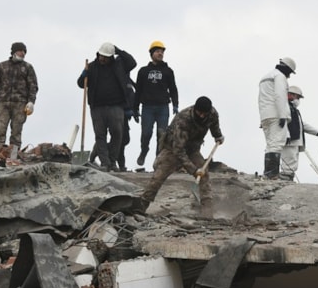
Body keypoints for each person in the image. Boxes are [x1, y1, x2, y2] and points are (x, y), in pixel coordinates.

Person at [139, 96, 225, 216]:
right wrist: (194, 170)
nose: (202, 116)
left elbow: (214, 126)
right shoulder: (183, 119)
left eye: (204, 113)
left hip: (193, 149)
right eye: (199, 113)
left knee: (204, 173)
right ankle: (141, 205)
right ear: (195, 109)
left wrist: (218, 136)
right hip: (172, 149)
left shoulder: (212, 114)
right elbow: (178, 150)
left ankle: (207, 210)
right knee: (158, 177)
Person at [77, 42, 136, 171]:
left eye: (106, 57)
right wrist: (83, 76)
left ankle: (112, 161)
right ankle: (105, 163)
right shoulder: (91, 67)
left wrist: (118, 50)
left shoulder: (118, 66)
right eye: (101, 56)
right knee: (100, 135)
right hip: (97, 107)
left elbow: (132, 62)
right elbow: (81, 84)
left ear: (111, 57)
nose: (103, 59)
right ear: (98, 54)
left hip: (116, 106)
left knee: (117, 134)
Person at [134, 41, 179, 168]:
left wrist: (175, 104)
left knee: (162, 135)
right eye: (158, 51)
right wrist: (135, 108)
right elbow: (138, 91)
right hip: (147, 107)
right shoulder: (143, 71)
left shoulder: (168, 71)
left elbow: (173, 89)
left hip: (163, 107)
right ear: (152, 53)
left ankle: (158, 161)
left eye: (162, 52)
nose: (160, 53)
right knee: (146, 133)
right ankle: (144, 151)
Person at [0, 42, 39, 151]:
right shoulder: (2, 66)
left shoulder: (28, 67)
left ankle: (14, 156)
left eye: (24, 52)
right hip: (3, 103)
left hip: (20, 104)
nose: (23, 53)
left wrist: (31, 102)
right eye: (21, 50)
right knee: (0, 130)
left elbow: (33, 86)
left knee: (16, 132)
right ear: (14, 51)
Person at [258, 57, 296, 179]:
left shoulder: (265, 77)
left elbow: (262, 99)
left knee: (270, 144)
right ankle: (272, 174)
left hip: (265, 115)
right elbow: (280, 96)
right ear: (287, 69)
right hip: (276, 114)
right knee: (277, 144)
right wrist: (282, 115)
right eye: (289, 73)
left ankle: (268, 173)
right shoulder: (280, 77)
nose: (289, 76)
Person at [279, 86, 318, 181]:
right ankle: (285, 177)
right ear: (290, 94)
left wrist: (316, 132)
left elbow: (302, 125)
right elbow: (283, 123)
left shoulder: (294, 110)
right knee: (289, 159)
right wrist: (287, 135)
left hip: (295, 140)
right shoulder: (284, 107)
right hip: (289, 139)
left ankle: (289, 177)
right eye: (297, 97)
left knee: (293, 159)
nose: (298, 100)